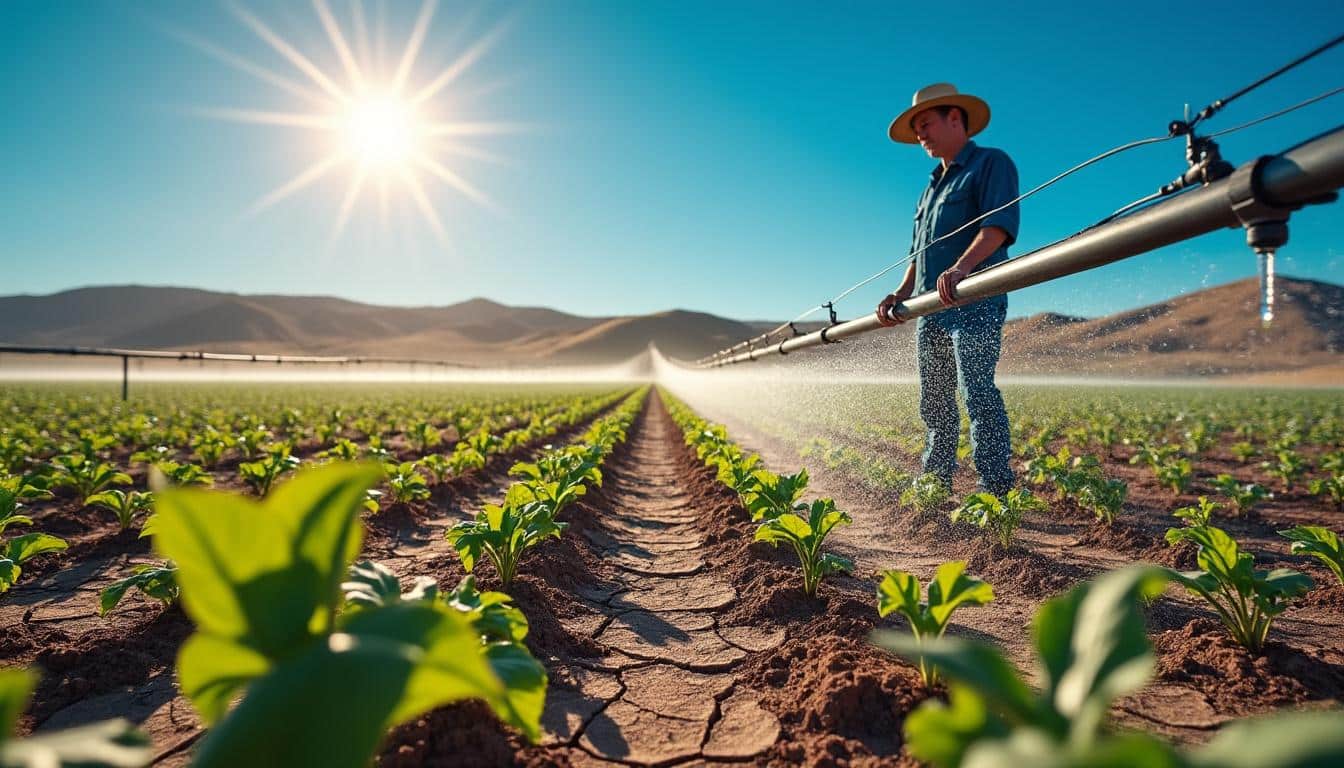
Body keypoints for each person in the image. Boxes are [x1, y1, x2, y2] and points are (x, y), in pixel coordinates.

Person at [875, 83, 1018, 496]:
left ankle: (996, 492)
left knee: (977, 393)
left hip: (975, 302)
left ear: (955, 118)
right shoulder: (929, 188)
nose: (921, 135)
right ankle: (935, 485)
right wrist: (901, 293)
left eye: (926, 124)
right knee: (935, 402)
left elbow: (998, 228)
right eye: (916, 128)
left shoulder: (991, 164)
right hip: (930, 309)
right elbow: (918, 254)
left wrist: (962, 268)